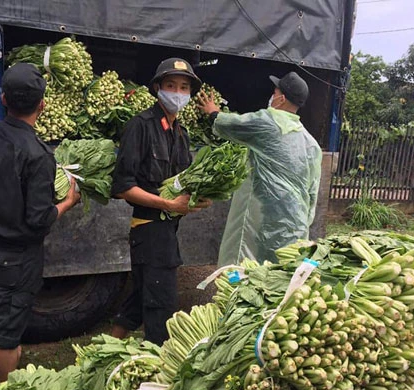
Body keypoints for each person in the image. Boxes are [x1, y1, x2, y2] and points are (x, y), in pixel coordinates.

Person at [0, 63, 81, 381]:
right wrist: (69, 202)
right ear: (42, 106)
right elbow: (39, 219)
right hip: (19, 252)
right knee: (8, 318)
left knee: (2, 302)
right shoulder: (38, 154)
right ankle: (6, 389)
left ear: (3, 100)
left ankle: (12, 356)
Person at [109, 58, 211, 345]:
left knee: (141, 297)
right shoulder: (140, 126)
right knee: (161, 308)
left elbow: (183, 185)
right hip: (148, 230)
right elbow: (122, 187)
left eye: (183, 87)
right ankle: (156, 370)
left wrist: (197, 200)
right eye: (171, 86)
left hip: (167, 231)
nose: (177, 93)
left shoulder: (181, 134)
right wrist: (170, 205)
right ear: (157, 88)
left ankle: (105, 352)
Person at [198, 72, 322, 265]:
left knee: (246, 268)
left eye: (275, 91)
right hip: (295, 222)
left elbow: (231, 125)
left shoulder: (268, 121)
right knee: (280, 274)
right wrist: (303, 222)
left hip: (263, 216)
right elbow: (313, 192)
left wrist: (212, 111)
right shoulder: (311, 144)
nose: (272, 96)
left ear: (281, 98)